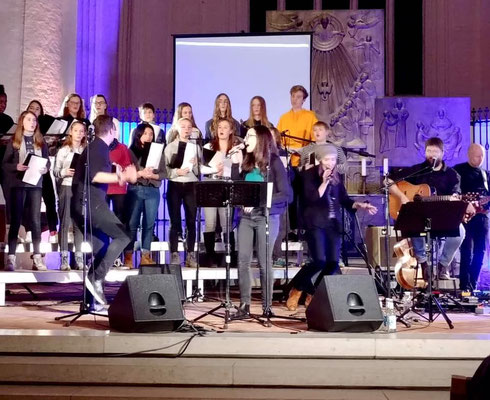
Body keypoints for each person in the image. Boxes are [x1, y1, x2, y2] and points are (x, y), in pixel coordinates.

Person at [286, 145, 377, 311]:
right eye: (327, 159)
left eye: (333, 160)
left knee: (333, 263)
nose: (330, 163)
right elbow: (312, 198)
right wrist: (323, 182)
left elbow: (344, 199)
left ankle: (314, 294)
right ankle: (297, 288)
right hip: (314, 223)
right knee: (319, 261)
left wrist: (360, 205)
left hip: (332, 224)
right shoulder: (308, 175)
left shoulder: (336, 177)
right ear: (320, 159)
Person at [71, 115, 136, 308]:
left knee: (101, 249)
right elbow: (96, 176)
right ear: (111, 131)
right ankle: (97, 279)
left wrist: (119, 173)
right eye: (115, 129)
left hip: (84, 205)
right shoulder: (99, 147)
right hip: (91, 204)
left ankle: (90, 301)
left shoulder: (95, 147)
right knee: (123, 236)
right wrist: (122, 176)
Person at [388, 137, 470, 282]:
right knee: (412, 221)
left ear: (442, 153)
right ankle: (423, 262)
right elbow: (388, 181)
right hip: (420, 217)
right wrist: (401, 197)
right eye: (429, 151)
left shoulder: (452, 175)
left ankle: (442, 265)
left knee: (461, 232)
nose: (432, 154)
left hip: (442, 217)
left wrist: (455, 199)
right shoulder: (418, 170)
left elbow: (456, 196)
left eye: (435, 151)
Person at [233, 125, 290, 319]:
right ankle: (244, 305)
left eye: (249, 136)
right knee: (243, 261)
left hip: (266, 217)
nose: (245, 139)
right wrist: (235, 164)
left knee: (265, 263)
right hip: (246, 219)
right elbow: (236, 191)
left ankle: (267, 306)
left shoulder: (273, 162)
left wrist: (258, 200)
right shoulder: (246, 162)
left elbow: (286, 194)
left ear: (261, 140)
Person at [3, 111, 50, 271]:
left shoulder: (41, 142)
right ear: (22, 122)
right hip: (18, 184)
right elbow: (4, 164)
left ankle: (37, 257)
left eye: (34, 120)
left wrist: (45, 169)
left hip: (35, 184)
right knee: (16, 220)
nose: (32, 122)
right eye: (28, 119)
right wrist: (16, 166)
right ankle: (11, 258)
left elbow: (47, 162)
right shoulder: (14, 141)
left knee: (36, 220)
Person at [277, 85, 318, 240]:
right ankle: (294, 229)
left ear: (304, 99)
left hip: (305, 162)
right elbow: (279, 141)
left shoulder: (310, 116)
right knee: (292, 197)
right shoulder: (284, 117)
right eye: (293, 96)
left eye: (299, 97)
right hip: (288, 163)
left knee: (305, 196)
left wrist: (308, 160)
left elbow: (314, 142)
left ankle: (306, 228)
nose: (295, 99)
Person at [201, 118, 242, 266]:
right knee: (210, 222)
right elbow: (201, 168)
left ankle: (229, 256)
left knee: (227, 223)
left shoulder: (235, 148)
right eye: (219, 127)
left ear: (231, 130)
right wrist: (213, 169)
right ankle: (210, 257)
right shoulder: (209, 146)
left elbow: (240, 169)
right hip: (211, 183)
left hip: (226, 183)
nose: (222, 130)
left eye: (225, 127)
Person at [125, 123, 166, 267]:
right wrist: (141, 173)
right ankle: (128, 256)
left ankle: (145, 255)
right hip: (135, 189)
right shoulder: (131, 151)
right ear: (139, 135)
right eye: (145, 133)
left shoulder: (158, 152)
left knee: (149, 224)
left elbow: (163, 173)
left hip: (152, 190)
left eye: (151, 134)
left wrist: (153, 176)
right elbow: (127, 173)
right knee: (132, 224)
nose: (148, 136)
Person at [164, 117, 199, 267]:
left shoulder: (195, 147)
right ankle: (174, 254)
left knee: (191, 221)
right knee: (175, 221)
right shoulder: (170, 147)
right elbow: (164, 170)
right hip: (175, 185)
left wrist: (197, 164)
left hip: (191, 184)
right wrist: (176, 171)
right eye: (183, 126)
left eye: (189, 127)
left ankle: (191, 254)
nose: (186, 129)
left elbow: (198, 171)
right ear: (178, 129)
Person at [454, 143, 489, 291]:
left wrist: (485, 207)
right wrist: (466, 205)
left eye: (482, 156)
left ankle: (473, 285)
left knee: (480, 252)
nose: (480, 158)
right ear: (469, 154)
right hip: (465, 217)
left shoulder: (485, 174)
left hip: (482, 218)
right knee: (466, 251)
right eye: (477, 155)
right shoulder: (458, 170)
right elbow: (454, 193)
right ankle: (464, 288)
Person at [53, 120, 86, 271]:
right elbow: (55, 171)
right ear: (71, 132)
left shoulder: (86, 150)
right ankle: (64, 259)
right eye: (76, 130)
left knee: (79, 223)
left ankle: (79, 258)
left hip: (80, 187)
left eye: (82, 131)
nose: (79, 133)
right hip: (66, 186)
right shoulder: (64, 150)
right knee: (65, 223)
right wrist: (64, 172)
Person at [25, 100, 59, 243]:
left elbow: (47, 157)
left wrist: (47, 166)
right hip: (27, 173)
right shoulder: (24, 135)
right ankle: (28, 230)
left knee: (50, 198)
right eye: (31, 108)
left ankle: (53, 229)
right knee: (29, 202)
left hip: (42, 171)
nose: (34, 110)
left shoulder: (42, 136)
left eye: (37, 109)